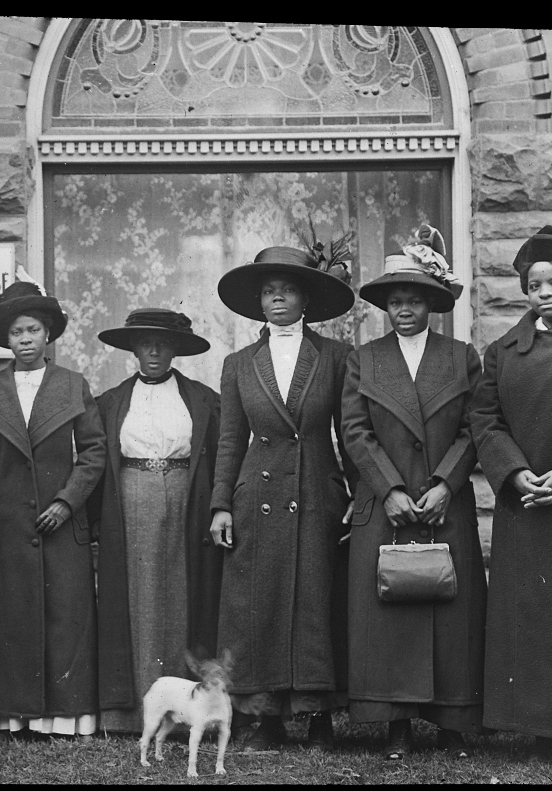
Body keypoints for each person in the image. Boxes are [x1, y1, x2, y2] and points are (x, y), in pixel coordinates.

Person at [341, 227, 486, 760]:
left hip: (445, 503)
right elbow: (354, 432)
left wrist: (448, 483)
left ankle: (452, 722)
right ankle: (395, 723)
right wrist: (392, 490)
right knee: (390, 616)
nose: (404, 309)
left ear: (433, 304)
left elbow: (476, 428)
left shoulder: (461, 356)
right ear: (385, 307)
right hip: (388, 505)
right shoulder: (365, 359)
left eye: (415, 299)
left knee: (451, 614)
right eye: (396, 301)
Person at [210, 245, 358, 752]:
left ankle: (320, 718)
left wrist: (358, 497)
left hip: (317, 491)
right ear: (259, 301)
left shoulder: (336, 357)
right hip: (258, 496)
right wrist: (221, 504)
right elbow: (230, 440)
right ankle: (267, 719)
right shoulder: (238, 363)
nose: (278, 298)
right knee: (260, 606)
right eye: (270, 291)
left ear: (306, 300)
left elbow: (351, 434)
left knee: (317, 601)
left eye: (288, 290)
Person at [0, 281, 107, 744]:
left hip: (60, 525)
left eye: (34, 330)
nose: (25, 339)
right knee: (7, 621)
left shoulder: (71, 385)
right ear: (6, 339)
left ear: (49, 336)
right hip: (6, 528)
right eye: (17, 332)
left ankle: (62, 719)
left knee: (64, 619)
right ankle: (7, 718)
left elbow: (93, 452)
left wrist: (67, 501)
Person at [471, 220, 552, 770]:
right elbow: (484, 418)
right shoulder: (503, 351)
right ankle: (544, 729)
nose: (545, 293)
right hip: (524, 503)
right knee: (535, 615)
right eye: (535, 285)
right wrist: (514, 472)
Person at [90, 308, 222, 733]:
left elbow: (221, 457)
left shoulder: (203, 400)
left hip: (188, 494)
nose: (154, 352)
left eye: (163, 344)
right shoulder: (109, 403)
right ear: (132, 348)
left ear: (176, 350)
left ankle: (185, 712)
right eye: (145, 343)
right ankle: (133, 711)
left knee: (182, 593)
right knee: (138, 596)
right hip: (132, 492)